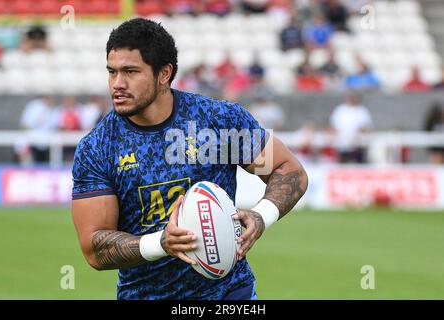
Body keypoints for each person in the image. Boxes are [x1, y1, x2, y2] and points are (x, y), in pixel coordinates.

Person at [71, 18, 308, 300]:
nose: (117, 84)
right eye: (112, 72)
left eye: (130, 71)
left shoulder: (217, 121)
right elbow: (94, 248)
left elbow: (289, 170)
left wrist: (261, 216)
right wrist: (161, 243)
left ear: (164, 73)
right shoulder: (98, 147)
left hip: (230, 294)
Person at [329, 91, 373, 163]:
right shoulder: (340, 110)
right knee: (342, 165)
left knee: (358, 165)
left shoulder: (362, 111)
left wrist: (357, 134)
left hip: (358, 145)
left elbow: (367, 127)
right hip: (342, 144)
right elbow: (333, 126)